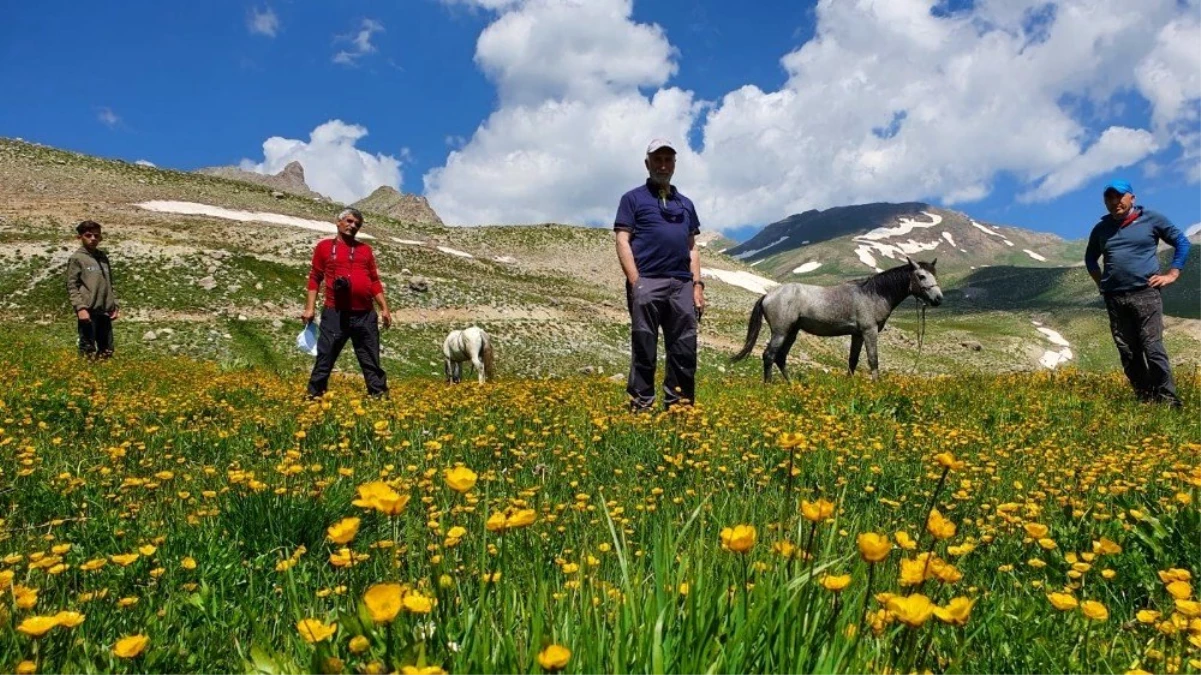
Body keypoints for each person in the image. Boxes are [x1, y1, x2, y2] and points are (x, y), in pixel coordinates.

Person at [613, 139, 706, 411]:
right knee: (644, 347)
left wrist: (697, 286)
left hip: (681, 285)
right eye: (658, 160)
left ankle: (680, 407)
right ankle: (641, 406)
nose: (663, 165)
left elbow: (692, 247)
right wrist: (635, 282)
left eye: (668, 160)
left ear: (675, 165)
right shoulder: (632, 199)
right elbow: (622, 240)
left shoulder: (686, 204)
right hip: (648, 282)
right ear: (647, 164)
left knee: (684, 349)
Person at [1085, 179, 1190, 408]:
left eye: (1119, 197)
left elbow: (1182, 242)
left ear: (1132, 197)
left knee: (1152, 347)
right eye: (1109, 199)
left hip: (1145, 293)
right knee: (1128, 351)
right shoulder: (1101, 228)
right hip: (1114, 297)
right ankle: (1146, 399)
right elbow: (1090, 258)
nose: (1115, 203)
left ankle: (1169, 401)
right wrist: (1100, 282)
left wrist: (1172, 273)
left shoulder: (1152, 219)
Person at [302, 208, 392, 398]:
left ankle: (379, 397)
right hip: (335, 313)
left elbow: (374, 281)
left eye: (357, 224)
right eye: (350, 221)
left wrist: (384, 308)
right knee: (326, 356)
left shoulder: (365, 250)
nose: (353, 226)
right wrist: (309, 308)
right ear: (338, 222)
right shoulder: (325, 247)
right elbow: (315, 277)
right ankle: (314, 396)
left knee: (370, 358)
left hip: (365, 314)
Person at [66, 220, 118, 359]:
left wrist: (113, 305)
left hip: (105, 311)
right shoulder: (77, 258)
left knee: (107, 350)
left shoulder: (102, 257)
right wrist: (80, 308)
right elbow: (72, 285)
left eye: (97, 236)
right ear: (80, 237)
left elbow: (109, 283)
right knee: (87, 349)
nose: (93, 239)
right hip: (88, 311)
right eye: (89, 235)